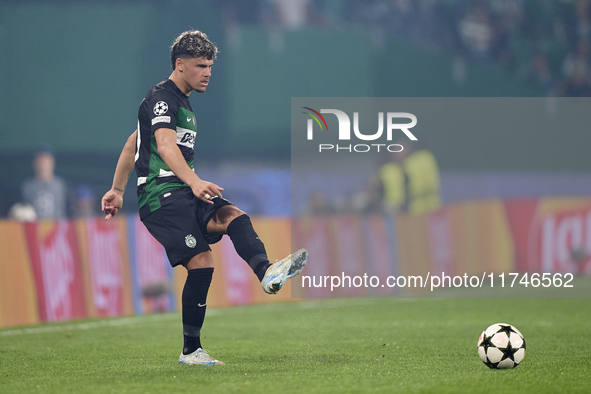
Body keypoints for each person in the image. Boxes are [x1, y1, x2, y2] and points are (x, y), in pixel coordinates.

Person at [101, 30, 308, 366]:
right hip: (161, 195)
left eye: (210, 65)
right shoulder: (163, 98)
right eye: (201, 65)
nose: (208, 72)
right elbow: (165, 147)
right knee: (201, 262)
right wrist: (194, 180)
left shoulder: (180, 103)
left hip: (181, 192)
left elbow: (132, 145)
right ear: (180, 65)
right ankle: (191, 352)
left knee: (234, 216)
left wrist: (117, 189)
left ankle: (267, 272)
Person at [21, 145, 68, 220]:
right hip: (35, 228)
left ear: (52, 162)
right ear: (34, 163)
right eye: (40, 160)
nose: (43, 164)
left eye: (46, 160)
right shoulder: (27, 186)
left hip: (56, 228)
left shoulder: (61, 185)